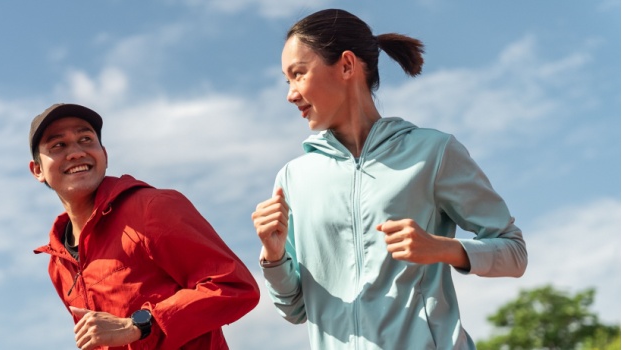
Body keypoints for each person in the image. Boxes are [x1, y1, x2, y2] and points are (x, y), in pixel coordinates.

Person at [251, 8, 528, 350]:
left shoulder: (432, 152)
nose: (290, 94)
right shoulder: (294, 178)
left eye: (299, 74)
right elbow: (295, 309)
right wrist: (273, 254)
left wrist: (442, 249)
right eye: (287, 80)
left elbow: (514, 252)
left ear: (347, 66)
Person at [29, 103, 259, 350]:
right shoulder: (58, 264)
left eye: (86, 139)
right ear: (38, 170)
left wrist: (138, 325)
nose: (75, 152)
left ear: (104, 154)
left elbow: (235, 286)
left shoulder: (152, 207)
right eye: (58, 145)